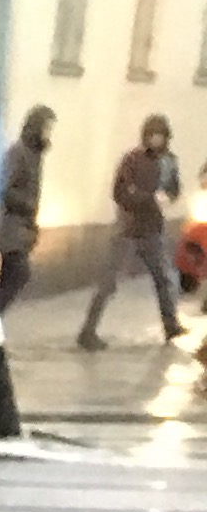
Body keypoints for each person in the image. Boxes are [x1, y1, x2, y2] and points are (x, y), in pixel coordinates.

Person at [79, 115, 183, 346]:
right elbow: (120, 192)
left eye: (160, 136)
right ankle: (88, 331)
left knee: (163, 278)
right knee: (108, 282)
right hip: (128, 228)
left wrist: (168, 197)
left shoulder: (169, 161)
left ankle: (171, 325)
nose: (156, 140)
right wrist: (148, 199)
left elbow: (175, 187)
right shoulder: (133, 159)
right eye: (152, 135)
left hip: (152, 228)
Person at [0, 103, 53, 315]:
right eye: (46, 127)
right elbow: (6, 189)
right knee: (19, 275)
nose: (48, 132)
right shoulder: (18, 152)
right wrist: (27, 204)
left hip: (23, 228)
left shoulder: (35, 154)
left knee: (7, 284)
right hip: (11, 228)